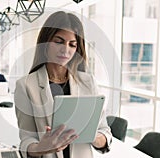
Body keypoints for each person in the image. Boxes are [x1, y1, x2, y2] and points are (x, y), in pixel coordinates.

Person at [14, 11, 112, 158]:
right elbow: (26, 141)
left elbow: (104, 131)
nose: (65, 50)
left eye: (72, 45)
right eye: (59, 41)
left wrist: (92, 136)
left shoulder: (88, 82)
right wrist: (41, 148)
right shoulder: (26, 86)